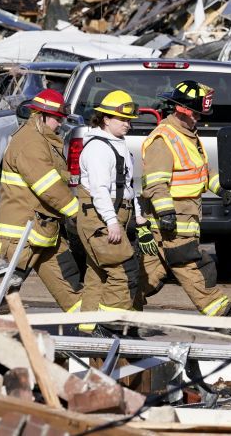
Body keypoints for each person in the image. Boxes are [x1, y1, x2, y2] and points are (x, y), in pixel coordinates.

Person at [137, 80, 231, 318]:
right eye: (197, 114)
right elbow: (156, 183)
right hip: (173, 217)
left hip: (186, 214)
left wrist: (221, 189)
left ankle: (118, 308)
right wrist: (166, 213)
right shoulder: (163, 140)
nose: (199, 118)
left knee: (151, 272)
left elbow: (201, 172)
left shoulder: (189, 135)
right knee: (188, 263)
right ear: (183, 111)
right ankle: (220, 312)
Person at [0, 89, 83, 313]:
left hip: (45, 231)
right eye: (57, 119)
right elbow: (48, 186)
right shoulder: (30, 142)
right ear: (41, 115)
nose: (60, 124)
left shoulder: (42, 138)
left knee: (70, 286)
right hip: (21, 236)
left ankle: (91, 333)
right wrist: (77, 212)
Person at [75, 90, 145, 335]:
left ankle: (88, 331)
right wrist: (112, 222)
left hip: (114, 215)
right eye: (122, 119)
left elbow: (127, 185)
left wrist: (136, 214)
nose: (128, 124)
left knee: (97, 274)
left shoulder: (119, 145)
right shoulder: (98, 149)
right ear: (105, 119)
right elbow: (100, 190)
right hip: (101, 218)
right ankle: (108, 328)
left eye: (129, 120)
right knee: (123, 271)